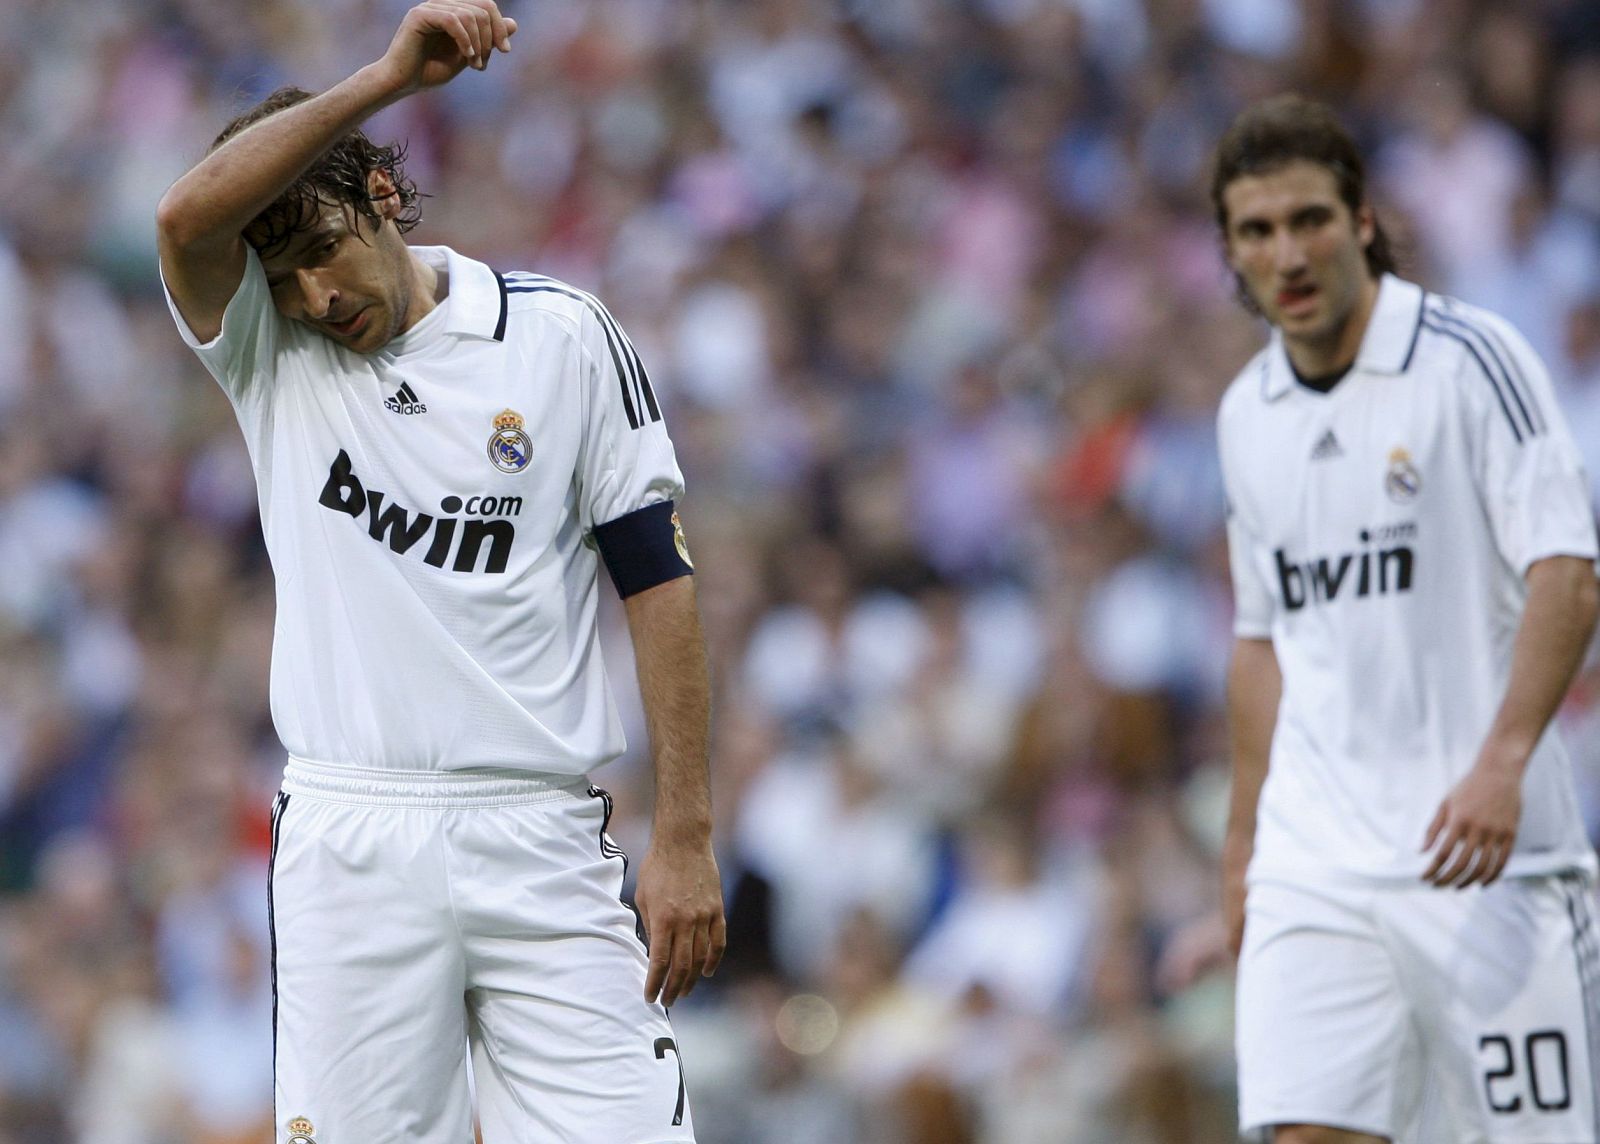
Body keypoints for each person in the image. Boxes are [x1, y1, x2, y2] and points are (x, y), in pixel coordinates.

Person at [154, 3, 724, 1141]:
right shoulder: (272, 357)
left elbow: (656, 585)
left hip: (541, 834)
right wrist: (382, 78)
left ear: (377, 198)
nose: (314, 296)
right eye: (281, 276)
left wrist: (686, 833)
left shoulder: (561, 338)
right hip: (351, 838)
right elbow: (181, 217)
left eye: (318, 251)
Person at [1214, 94, 1600, 1144]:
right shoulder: (1246, 413)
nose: (1286, 254)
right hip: (1316, 862)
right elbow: (1261, 641)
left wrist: (1502, 761)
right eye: (1256, 230)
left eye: (1309, 220)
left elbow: (1567, 572)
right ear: (1229, 250)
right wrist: (1244, 846)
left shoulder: (1471, 360)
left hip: (1487, 859)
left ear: (1363, 221)